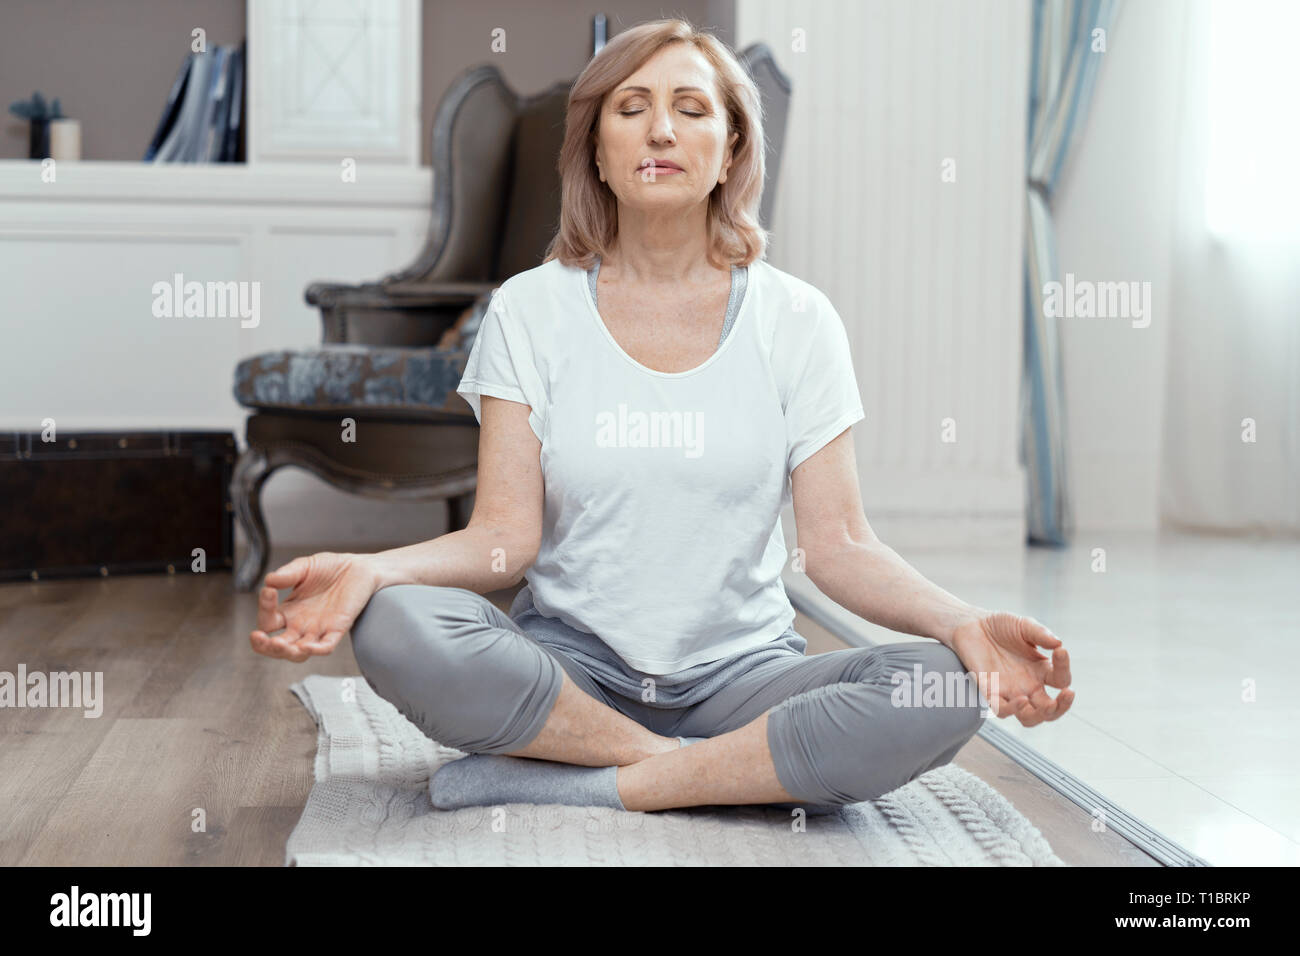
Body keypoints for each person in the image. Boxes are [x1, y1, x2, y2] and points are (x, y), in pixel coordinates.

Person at [249, 18, 1073, 814]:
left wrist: (964, 623)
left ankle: (580, 779)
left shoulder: (799, 319)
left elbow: (841, 548)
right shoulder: (529, 310)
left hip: (745, 680)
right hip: (571, 673)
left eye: (690, 109)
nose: (660, 132)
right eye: (631, 109)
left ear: (731, 151)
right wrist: (373, 570)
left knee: (945, 685)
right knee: (393, 622)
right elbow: (503, 539)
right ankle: (705, 774)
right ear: (597, 154)